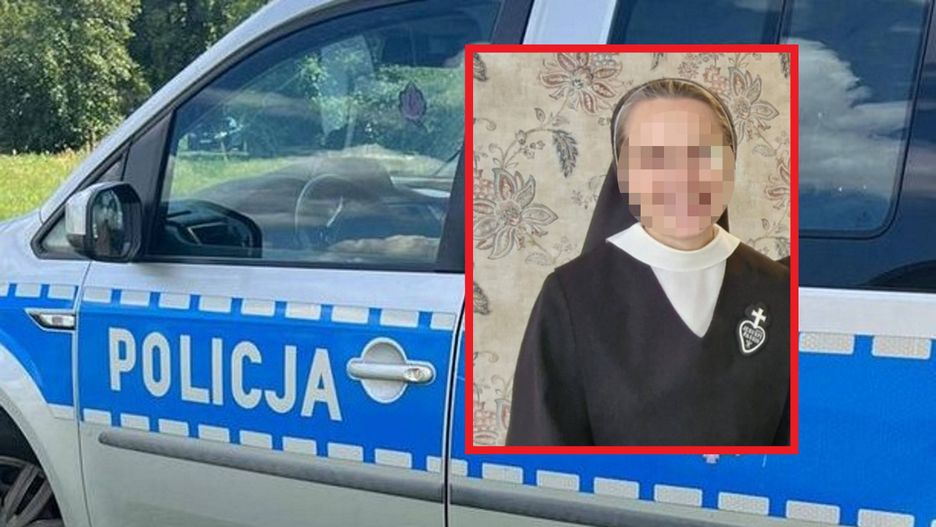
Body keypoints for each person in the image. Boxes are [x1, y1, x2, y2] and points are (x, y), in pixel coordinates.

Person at [505, 78, 790, 446]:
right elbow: (542, 447)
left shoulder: (779, 289)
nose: (682, 178)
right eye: (655, 158)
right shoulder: (571, 296)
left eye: (702, 153)